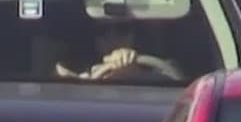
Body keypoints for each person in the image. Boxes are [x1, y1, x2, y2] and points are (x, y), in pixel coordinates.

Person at [54, 18, 182, 81]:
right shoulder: (76, 70)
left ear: (135, 34)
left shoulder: (163, 67)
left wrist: (135, 74)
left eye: (122, 29)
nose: (113, 37)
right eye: (102, 31)